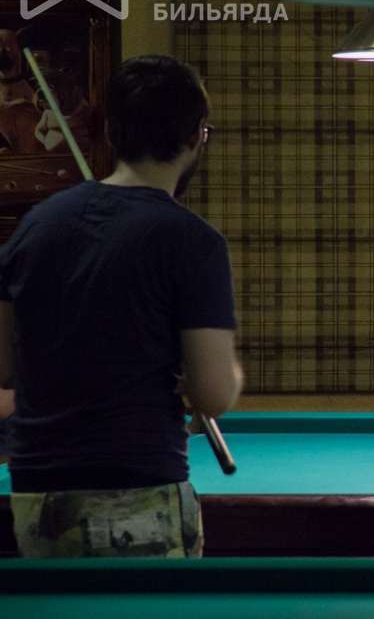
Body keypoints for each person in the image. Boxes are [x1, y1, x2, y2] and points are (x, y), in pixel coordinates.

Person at [0, 55, 242, 558]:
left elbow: (5, 368)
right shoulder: (194, 242)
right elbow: (213, 394)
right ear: (196, 136)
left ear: (111, 132)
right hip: (141, 494)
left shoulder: (35, 225)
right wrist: (221, 374)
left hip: (34, 498)